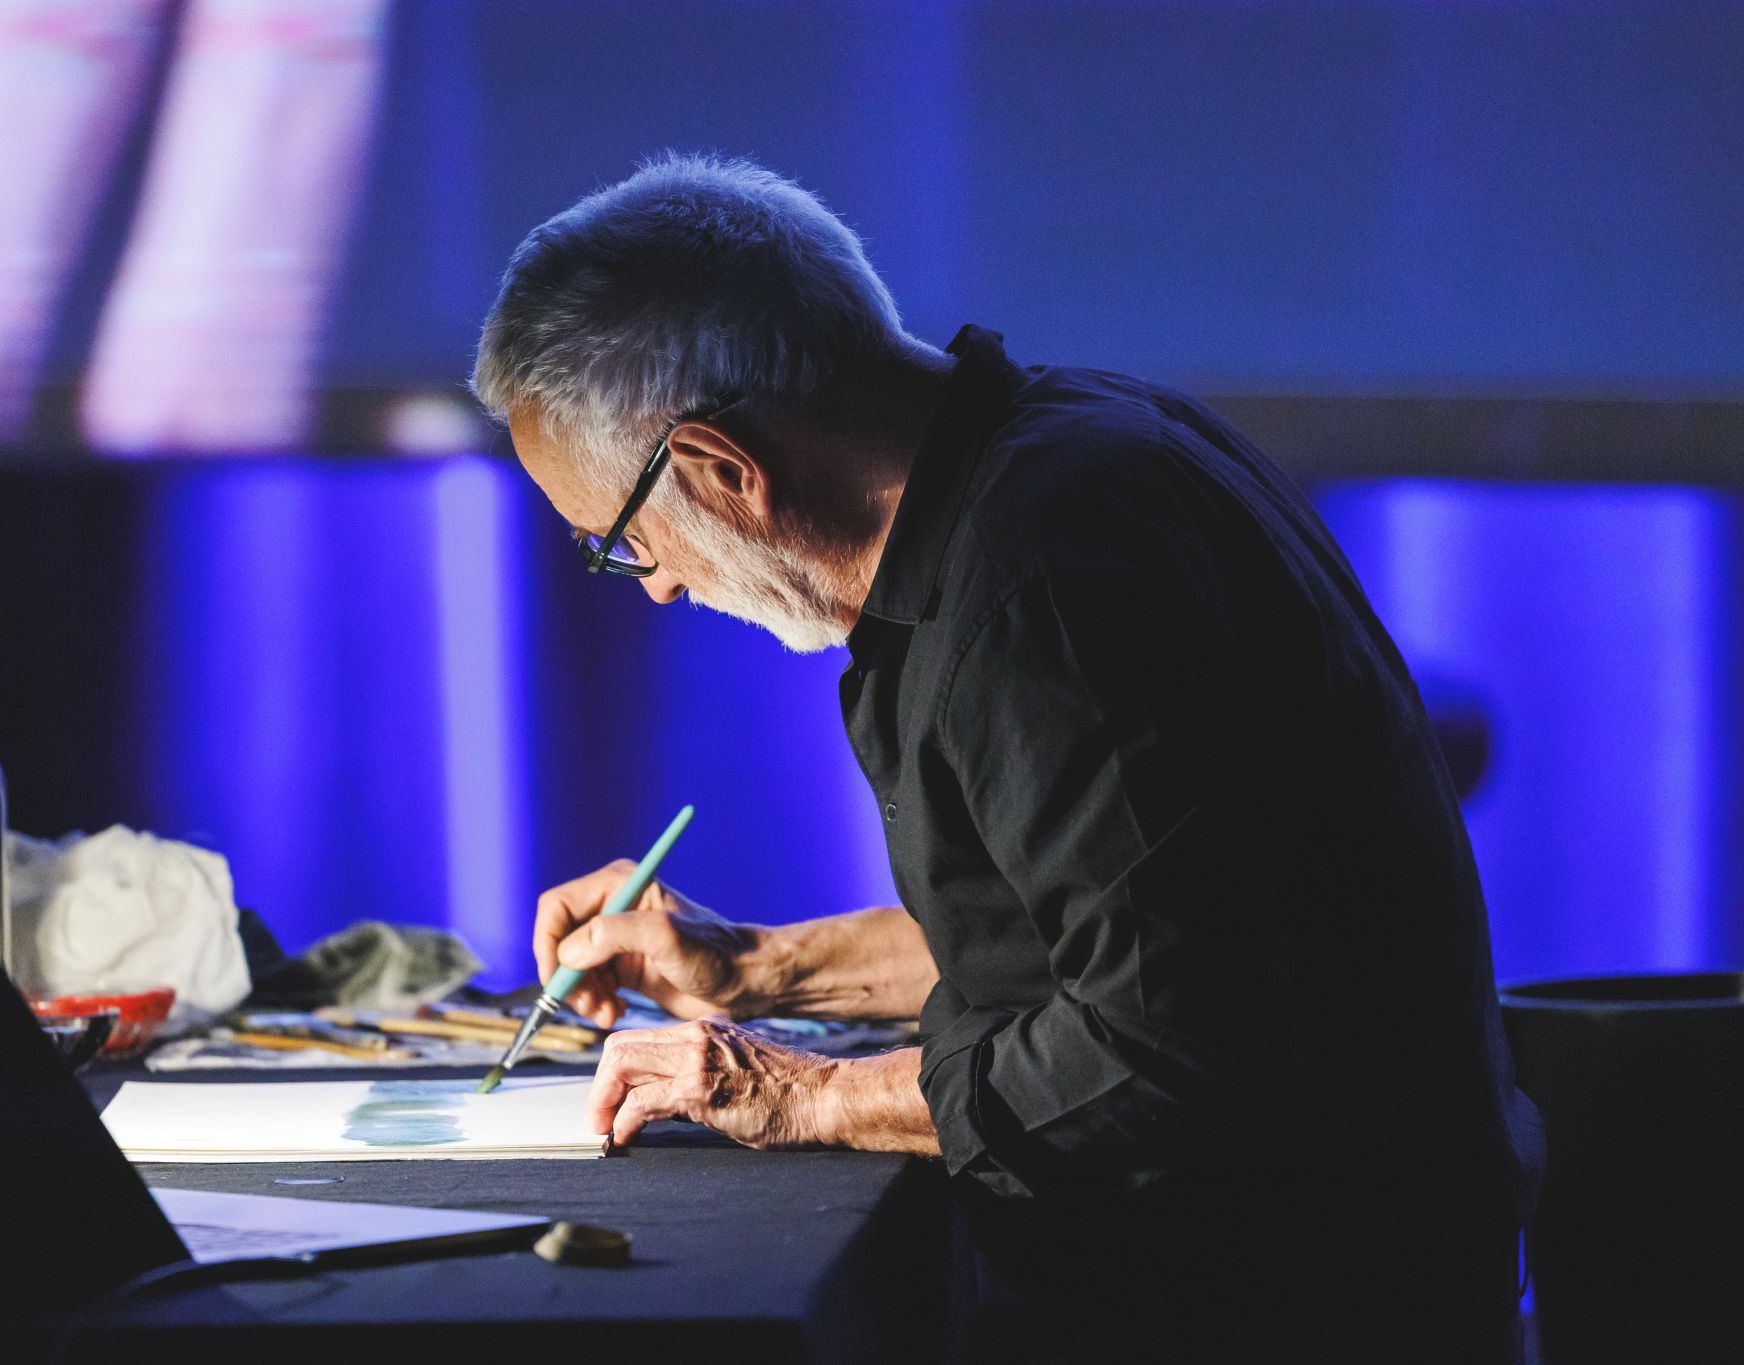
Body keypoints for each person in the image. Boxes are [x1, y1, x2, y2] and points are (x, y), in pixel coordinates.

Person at [471, 153, 1543, 1363]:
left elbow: (1160, 1048)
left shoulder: (1042, 585)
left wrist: (797, 1094)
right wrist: (756, 970)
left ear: (724, 470)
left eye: (618, 543)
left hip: (1289, 1307)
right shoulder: (1071, 448)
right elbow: (1098, 939)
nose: (656, 588)